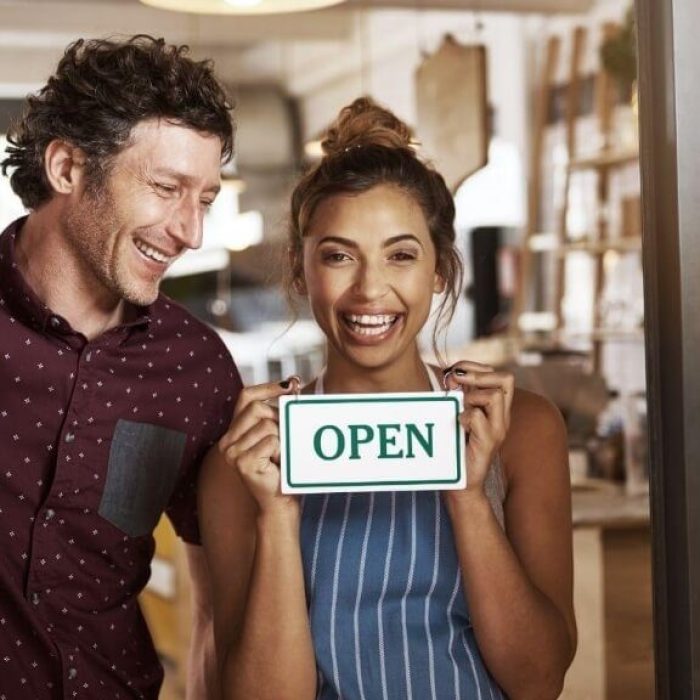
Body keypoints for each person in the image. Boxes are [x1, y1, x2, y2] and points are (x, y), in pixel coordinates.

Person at [199, 97, 577, 700]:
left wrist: (469, 496)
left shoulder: (523, 430)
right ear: (301, 273)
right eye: (339, 256)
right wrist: (276, 517)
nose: (370, 289)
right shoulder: (247, 456)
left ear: (439, 273)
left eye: (400, 255)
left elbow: (538, 681)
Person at [0, 35, 241, 699]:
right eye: (167, 189)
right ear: (69, 168)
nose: (190, 231)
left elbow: (218, 609)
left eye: (206, 199)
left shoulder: (199, 372)